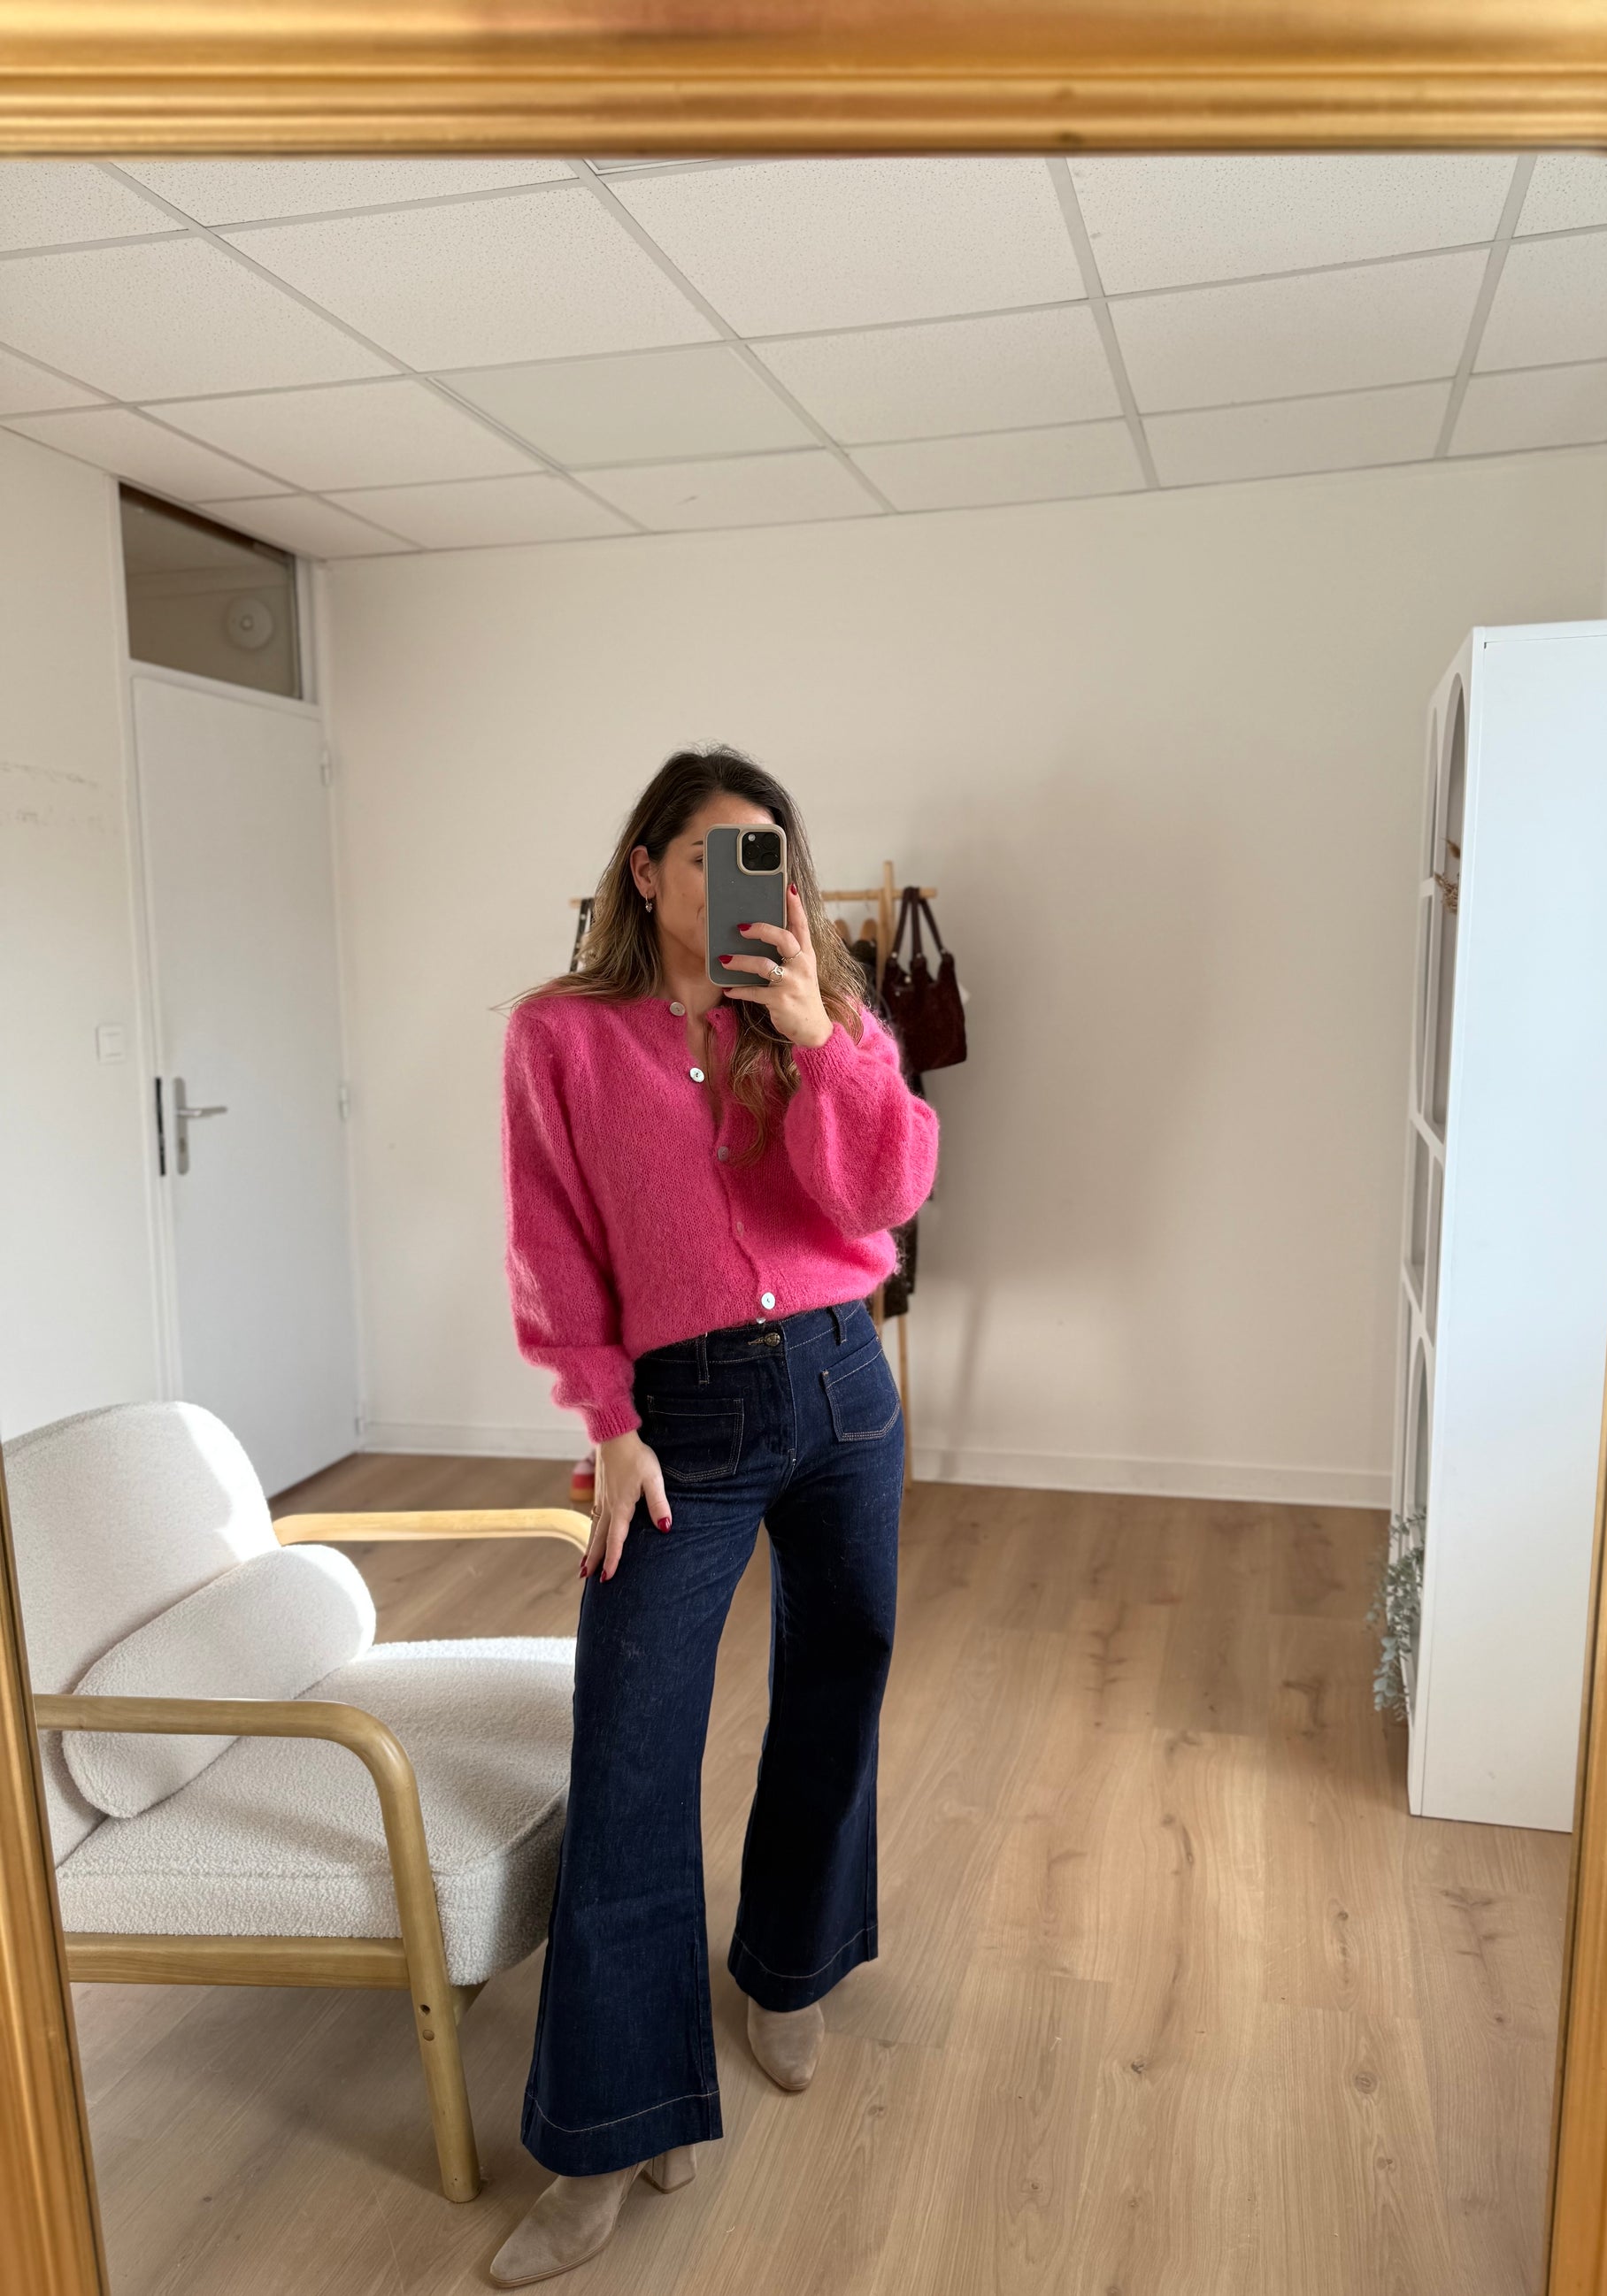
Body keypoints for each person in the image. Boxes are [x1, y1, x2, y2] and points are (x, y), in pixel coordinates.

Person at [489, 746, 940, 2285]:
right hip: (679, 1420)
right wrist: (605, 1422)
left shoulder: (824, 1011)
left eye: (768, 857)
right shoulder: (559, 1036)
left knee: (838, 1677)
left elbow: (883, 1196)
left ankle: (788, 1966)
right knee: (628, 1752)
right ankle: (609, 2132)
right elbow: (551, 1242)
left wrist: (819, 1041)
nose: (747, 883)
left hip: (843, 1386)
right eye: (710, 856)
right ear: (646, 870)